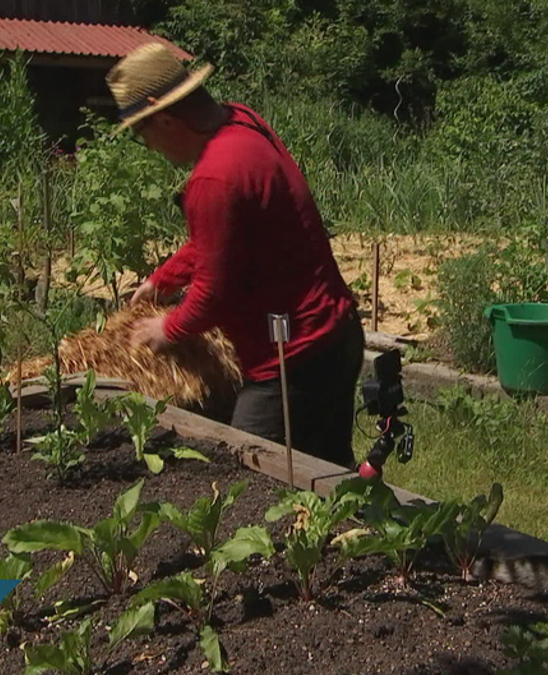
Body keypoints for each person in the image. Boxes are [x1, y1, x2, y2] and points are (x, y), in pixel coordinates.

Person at [106, 43, 365, 469]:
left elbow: (213, 293)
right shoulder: (244, 123)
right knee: (330, 476)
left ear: (165, 117)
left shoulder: (213, 177)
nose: (148, 146)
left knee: (247, 477)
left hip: (292, 363)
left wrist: (168, 328)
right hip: (336, 337)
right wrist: (165, 278)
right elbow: (226, 237)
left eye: (141, 133)